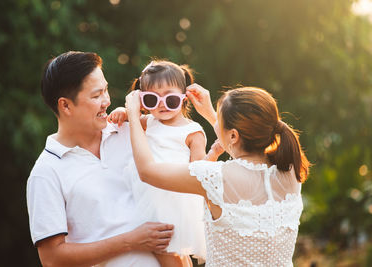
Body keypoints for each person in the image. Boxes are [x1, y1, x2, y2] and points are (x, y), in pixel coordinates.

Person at [125, 84, 310, 266]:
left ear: (233, 136)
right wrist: (209, 111)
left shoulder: (214, 177)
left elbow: (147, 171)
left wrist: (133, 116)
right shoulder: (290, 170)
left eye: (219, 122)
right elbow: (238, 143)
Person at [26, 51, 174, 267]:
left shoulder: (130, 131)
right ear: (65, 106)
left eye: (105, 90)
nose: (107, 101)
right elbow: (52, 258)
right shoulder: (46, 172)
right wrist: (130, 241)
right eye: (96, 96)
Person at [108, 60, 220, 267]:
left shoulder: (192, 131)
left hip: (174, 198)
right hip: (147, 195)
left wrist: (213, 154)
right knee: (171, 252)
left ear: (184, 98)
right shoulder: (148, 121)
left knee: (168, 250)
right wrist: (123, 112)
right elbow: (131, 120)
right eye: (152, 99)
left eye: (170, 99)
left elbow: (199, 171)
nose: (161, 104)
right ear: (142, 102)